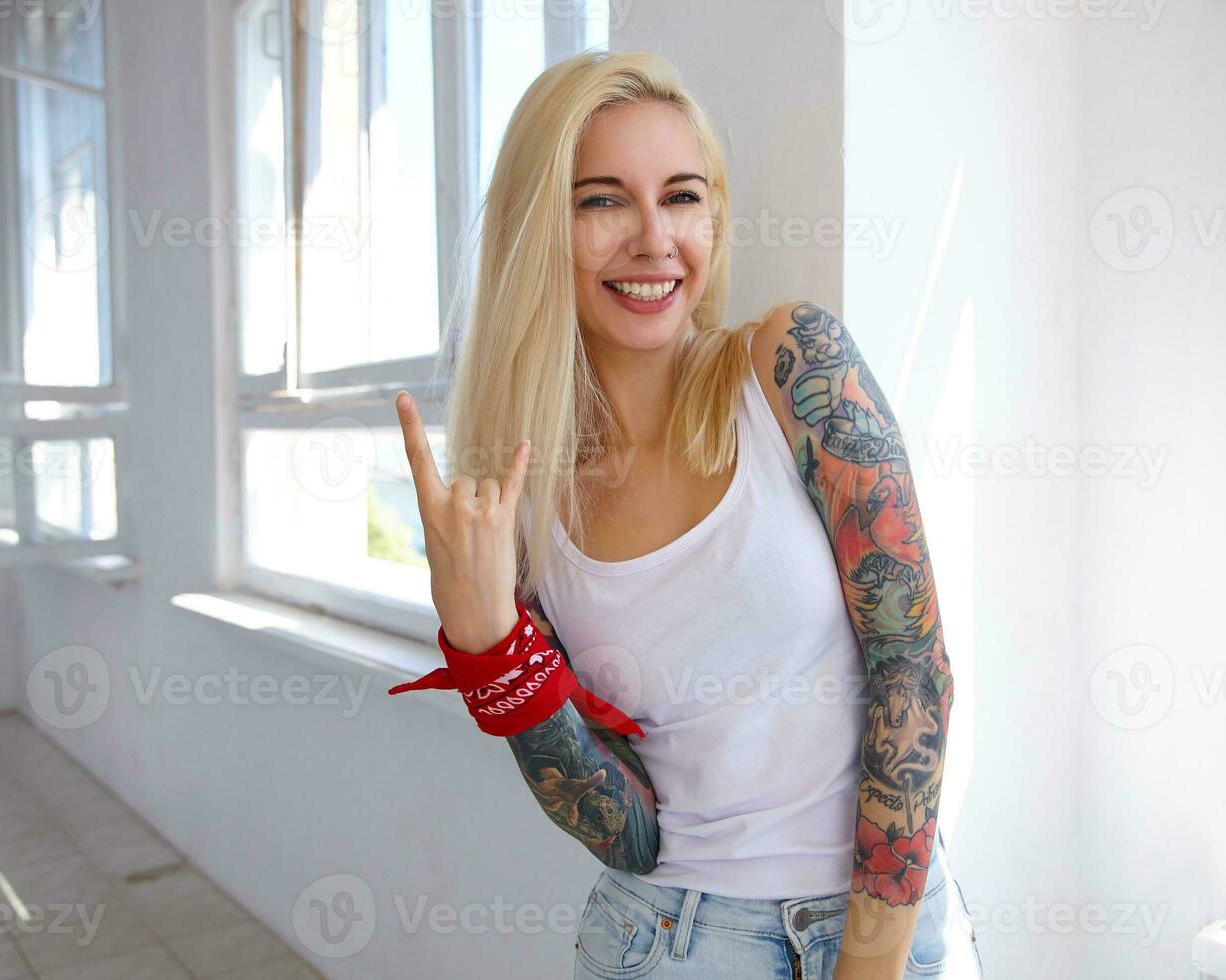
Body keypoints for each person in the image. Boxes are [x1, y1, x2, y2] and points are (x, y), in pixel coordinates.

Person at [391, 49, 983, 980]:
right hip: (673, 942)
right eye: (601, 200)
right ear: (540, 226)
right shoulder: (526, 508)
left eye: (681, 196)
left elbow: (916, 672)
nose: (654, 239)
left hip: (893, 929)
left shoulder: (792, 370)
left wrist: (871, 966)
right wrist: (486, 645)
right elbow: (626, 832)